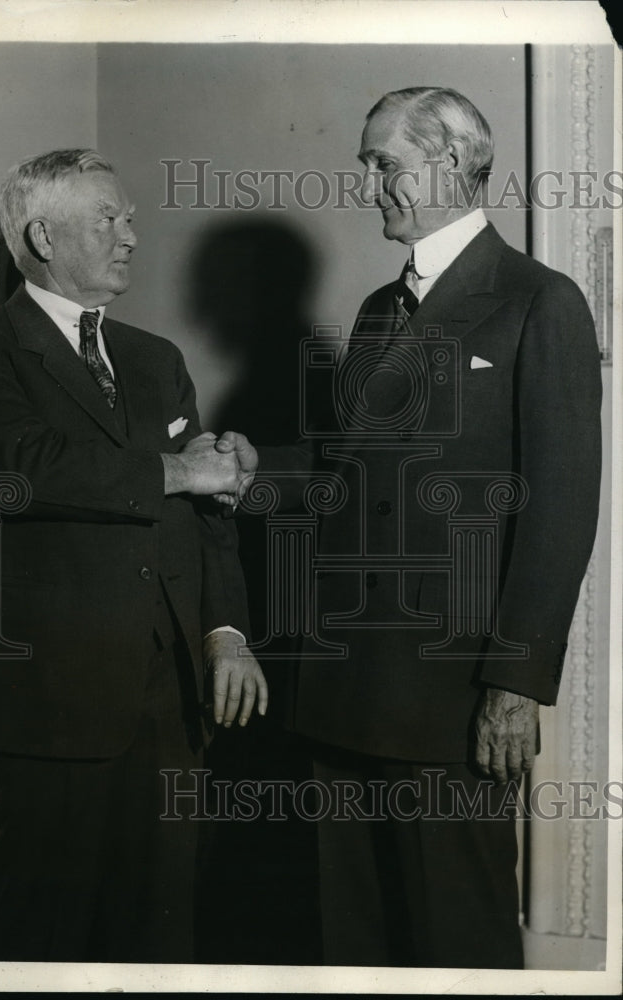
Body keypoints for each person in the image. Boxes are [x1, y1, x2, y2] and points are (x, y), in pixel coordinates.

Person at [216, 87, 602, 968]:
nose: (367, 186)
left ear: (454, 164)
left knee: (455, 941)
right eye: (365, 166)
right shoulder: (377, 312)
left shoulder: (539, 302)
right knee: (351, 942)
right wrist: (249, 470)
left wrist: (515, 683)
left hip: (451, 694)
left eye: (382, 164)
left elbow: (561, 505)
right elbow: (344, 475)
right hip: (343, 681)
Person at [0, 148, 267, 963]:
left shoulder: (156, 361)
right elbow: (23, 467)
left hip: (168, 701)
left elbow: (201, 516)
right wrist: (181, 469)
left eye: (130, 220)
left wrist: (227, 632)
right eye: (107, 220)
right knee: (41, 942)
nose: (130, 237)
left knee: (161, 936)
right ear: (41, 236)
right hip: (44, 705)